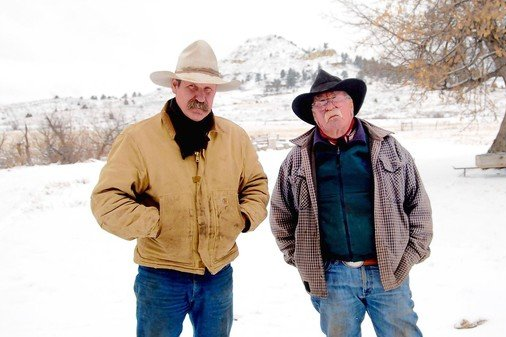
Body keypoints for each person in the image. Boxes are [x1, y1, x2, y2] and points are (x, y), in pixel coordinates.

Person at [91, 40, 269, 337]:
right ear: (175, 85)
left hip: (218, 274)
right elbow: (107, 200)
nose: (200, 97)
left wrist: (243, 217)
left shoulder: (235, 137)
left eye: (208, 90)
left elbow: (256, 186)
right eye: (192, 87)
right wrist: (157, 224)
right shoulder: (138, 139)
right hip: (161, 276)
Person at [270, 69, 432, 337]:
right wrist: (299, 257)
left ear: (352, 104)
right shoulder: (297, 160)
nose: (329, 105)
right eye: (320, 102)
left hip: (388, 271)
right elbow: (281, 215)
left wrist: (409, 255)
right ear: (313, 114)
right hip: (334, 277)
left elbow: (419, 206)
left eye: (336, 98)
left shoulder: (388, 148)